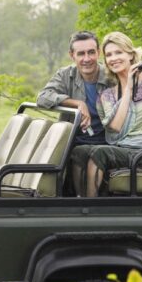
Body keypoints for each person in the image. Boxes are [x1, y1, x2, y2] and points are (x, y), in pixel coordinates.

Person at [81, 32, 142, 197]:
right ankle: (78, 201)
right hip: (124, 149)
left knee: (100, 153)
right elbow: (116, 128)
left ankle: (89, 209)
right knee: (79, 151)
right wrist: (127, 89)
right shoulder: (107, 95)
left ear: (131, 55)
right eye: (109, 55)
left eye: (119, 52)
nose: (113, 58)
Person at [37, 31, 109, 194]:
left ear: (98, 52)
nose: (87, 59)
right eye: (81, 53)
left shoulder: (111, 74)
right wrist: (76, 103)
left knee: (86, 155)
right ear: (72, 55)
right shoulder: (65, 74)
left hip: (107, 140)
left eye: (91, 52)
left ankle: (87, 206)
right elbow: (43, 97)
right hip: (74, 140)